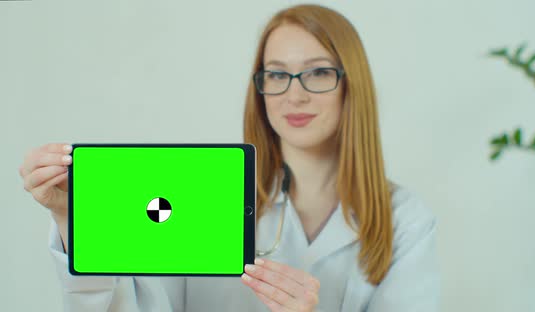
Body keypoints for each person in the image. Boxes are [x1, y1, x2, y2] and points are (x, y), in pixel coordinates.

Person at [19, 4, 439, 312]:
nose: (295, 93)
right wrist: (74, 220)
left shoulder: (405, 219)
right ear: (260, 89)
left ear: (352, 85)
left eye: (318, 72)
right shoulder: (202, 190)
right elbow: (134, 308)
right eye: (276, 74)